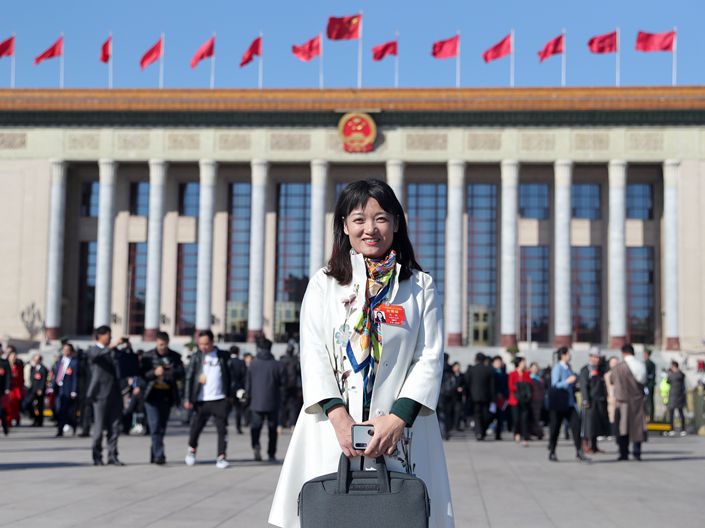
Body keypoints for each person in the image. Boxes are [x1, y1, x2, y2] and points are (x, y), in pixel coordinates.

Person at [269, 179, 453, 528]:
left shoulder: (419, 286)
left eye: (381, 218)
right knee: (330, 514)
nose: (370, 229)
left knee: (400, 515)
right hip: (332, 428)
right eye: (359, 219)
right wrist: (339, 417)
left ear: (396, 223)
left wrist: (397, 419)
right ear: (344, 225)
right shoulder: (324, 284)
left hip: (400, 433)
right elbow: (313, 353)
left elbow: (428, 356)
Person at [184, 330, 232, 469]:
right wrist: (187, 398)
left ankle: (221, 456)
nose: (203, 347)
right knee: (196, 428)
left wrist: (230, 395)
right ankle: (192, 450)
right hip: (201, 399)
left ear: (212, 342)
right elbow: (189, 378)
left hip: (219, 398)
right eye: (200, 344)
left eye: (206, 344)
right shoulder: (196, 357)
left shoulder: (223, 356)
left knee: (222, 429)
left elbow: (230, 376)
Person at [141, 331, 184, 464]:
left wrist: (170, 371)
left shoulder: (175, 357)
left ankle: (154, 452)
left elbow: (181, 373)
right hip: (151, 395)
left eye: (164, 345)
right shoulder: (147, 356)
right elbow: (142, 375)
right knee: (154, 426)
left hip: (167, 395)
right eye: (160, 345)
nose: (162, 347)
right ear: (156, 343)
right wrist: (154, 373)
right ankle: (159, 455)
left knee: (162, 427)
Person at [86, 326, 125, 466]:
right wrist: (112, 347)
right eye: (108, 335)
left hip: (115, 393)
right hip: (100, 394)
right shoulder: (93, 350)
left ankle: (112, 455)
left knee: (114, 427)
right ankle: (97, 456)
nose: (110, 338)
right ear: (100, 336)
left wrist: (126, 349)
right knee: (99, 428)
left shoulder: (112, 351)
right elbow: (96, 357)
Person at [548, 347, 588, 462]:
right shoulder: (557, 368)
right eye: (568, 354)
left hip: (570, 403)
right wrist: (567, 381)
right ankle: (552, 451)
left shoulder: (569, 367)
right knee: (555, 428)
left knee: (576, 426)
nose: (570, 356)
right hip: (559, 403)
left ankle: (579, 452)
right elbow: (555, 384)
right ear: (563, 355)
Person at [247, 337, 283, 461]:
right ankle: (271, 453)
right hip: (273, 401)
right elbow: (283, 383)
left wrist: (247, 397)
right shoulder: (277, 364)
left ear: (259, 348)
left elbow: (248, 383)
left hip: (256, 401)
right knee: (272, 429)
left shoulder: (253, 364)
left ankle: (256, 445)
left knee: (255, 427)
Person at [611, 344, 646, 461]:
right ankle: (637, 452)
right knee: (637, 427)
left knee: (623, 427)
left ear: (623, 353)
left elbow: (612, 380)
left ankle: (623, 453)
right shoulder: (641, 365)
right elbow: (643, 380)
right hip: (637, 400)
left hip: (623, 401)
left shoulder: (618, 367)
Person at [578, 349, 610, 454]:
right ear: (590, 357)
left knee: (596, 425)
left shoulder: (600, 369)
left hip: (599, 400)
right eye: (595, 357)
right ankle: (585, 444)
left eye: (598, 357)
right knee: (587, 424)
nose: (597, 359)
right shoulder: (586, 370)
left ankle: (594, 446)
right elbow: (583, 386)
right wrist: (585, 400)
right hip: (590, 401)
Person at [465, 352, 495, 441]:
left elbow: (467, 383)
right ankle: (482, 431)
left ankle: (478, 432)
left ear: (476, 359)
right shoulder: (489, 370)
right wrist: (493, 398)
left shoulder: (471, 369)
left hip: (474, 397)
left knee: (477, 415)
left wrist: (467, 396)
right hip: (486, 397)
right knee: (486, 415)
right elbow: (492, 386)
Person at [53, 343, 79, 436]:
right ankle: (60, 429)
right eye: (64, 349)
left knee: (67, 411)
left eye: (67, 350)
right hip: (59, 389)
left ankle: (71, 425)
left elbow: (75, 378)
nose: (65, 351)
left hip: (68, 389)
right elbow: (56, 374)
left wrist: (74, 391)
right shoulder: (59, 361)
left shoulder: (74, 363)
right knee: (58, 409)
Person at [278, 342, 302, 432]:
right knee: (293, 407)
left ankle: (280, 425)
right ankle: (293, 425)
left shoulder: (282, 360)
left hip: (283, 386)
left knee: (282, 406)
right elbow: (299, 373)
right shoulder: (295, 360)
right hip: (293, 386)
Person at [507, 356, 532, 446]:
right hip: (515, 400)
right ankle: (517, 433)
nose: (524, 364)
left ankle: (525, 437)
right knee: (516, 419)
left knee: (525, 419)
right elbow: (511, 386)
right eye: (523, 362)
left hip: (524, 400)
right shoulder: (512, 374)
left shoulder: (526, 374)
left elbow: (529, 385)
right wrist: (520, 388)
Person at [25, 354, 48, 427]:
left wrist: (41, 389)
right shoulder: (34, 368)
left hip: (39, 390)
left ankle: (39, 421)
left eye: (37, 359)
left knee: (40, 406)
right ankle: (35, 418)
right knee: (28, 403)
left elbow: (43, 380)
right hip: (33, 390)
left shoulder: (43, 369)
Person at [228, 345, 247, 434]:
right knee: (238, 408)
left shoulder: (227, 361)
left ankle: (223, 423)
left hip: (228, 388)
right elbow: (244, 375)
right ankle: (238, 427)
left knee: (226, 407)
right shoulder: (241, 362)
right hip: (239, 388)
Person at [4, 347, 24, 427]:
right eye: (12, 357)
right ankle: (8, 420)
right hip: (8, 388)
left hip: (16, 388)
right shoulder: (5, 365)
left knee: (15, 405)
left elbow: (21, 378)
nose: (13, 358)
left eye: (15, 356)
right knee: (8, 405)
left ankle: (16, 418)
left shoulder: (18, 366)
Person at [666, 360, 687, 436]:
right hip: (679, 396)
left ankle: (671, 429)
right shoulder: (681, 374)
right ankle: (683, 429)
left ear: (674, 366)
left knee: (672, 414)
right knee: (680, 413)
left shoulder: (673, 375)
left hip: (673, 396)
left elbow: (668, 381)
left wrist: (669, 373)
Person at [491, 355, 509, 440]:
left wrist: (504, 394)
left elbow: (506, 386)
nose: (498, 363)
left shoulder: (504, 374)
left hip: (502, 399)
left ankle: (498, 434)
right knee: (491, 415)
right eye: (496, 362)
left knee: (500, 417)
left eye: (499, 362)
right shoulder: (491, 372)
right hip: (493, 398)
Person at [603, 357, 620, 437]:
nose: (614, 365)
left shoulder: (621, 374)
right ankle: (612, 431)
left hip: (620, 398)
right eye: (613, 363)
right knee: (611, 415)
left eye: (616, 363)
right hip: (611, 397)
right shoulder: (607, 375)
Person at [528, 362, 545, 439]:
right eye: (534, 368)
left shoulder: (539, 378)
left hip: (539, 400)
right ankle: (537, 433)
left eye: (536, 368)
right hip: (532, 400)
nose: (535, 369)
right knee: (534, 417)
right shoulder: (529, 377)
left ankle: (537, 432)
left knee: (537, 417)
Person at [643, 350, 657, 422]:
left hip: (648, 385)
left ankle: (649, 417)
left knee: (648, 401)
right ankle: (649, 416)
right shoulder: (649, 363)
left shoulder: (648, 363)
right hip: (648, 385)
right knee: (649, 401)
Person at [0, 347, 10, 434]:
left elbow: (8, 377)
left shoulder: (4, 363)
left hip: (1, 389)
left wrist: (7, 388)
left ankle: (4, 425)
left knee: (1, 410)